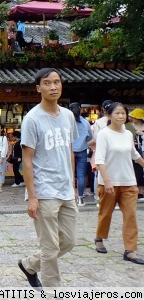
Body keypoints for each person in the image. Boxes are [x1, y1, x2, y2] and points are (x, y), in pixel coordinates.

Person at [18, 68, 77, 288]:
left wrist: (73, 185)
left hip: (65, 189)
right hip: (44, 191)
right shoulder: (32, 119)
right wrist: (32, 197)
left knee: (69, 242)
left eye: (56, 82)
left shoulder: (68, 116)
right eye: (47, 83)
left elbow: (69, 151)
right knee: (50, 247)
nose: (53, 87)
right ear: (38, 88)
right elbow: (27, 160)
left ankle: (29, 264)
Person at [94, 102, 144, 265]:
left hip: (128, 181)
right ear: (109, 116)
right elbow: (99, 159)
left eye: (123, 113)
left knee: (130, 215)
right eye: (117, 113)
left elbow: (133, 154)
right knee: (105, 213)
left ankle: (130, 250)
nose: (121, 116)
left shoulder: (128, 134)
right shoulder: (104, 134)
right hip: (108, 182)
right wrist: (107, 181)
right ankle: (99, 237)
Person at [69, 102, 93, 207]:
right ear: (80, 109)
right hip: (82, 150)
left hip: (69, 150)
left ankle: (69, 197)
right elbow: (89, 138)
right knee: (81, 175)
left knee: (69, 173)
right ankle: (80, 198)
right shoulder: (86, 123)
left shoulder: (67, 122)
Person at [128, 108, 144, 202]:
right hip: (136, 152)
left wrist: (142, 134)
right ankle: (138, 192)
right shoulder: (131, 127)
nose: (132, 118)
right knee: (137, 171)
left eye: (134, 117)